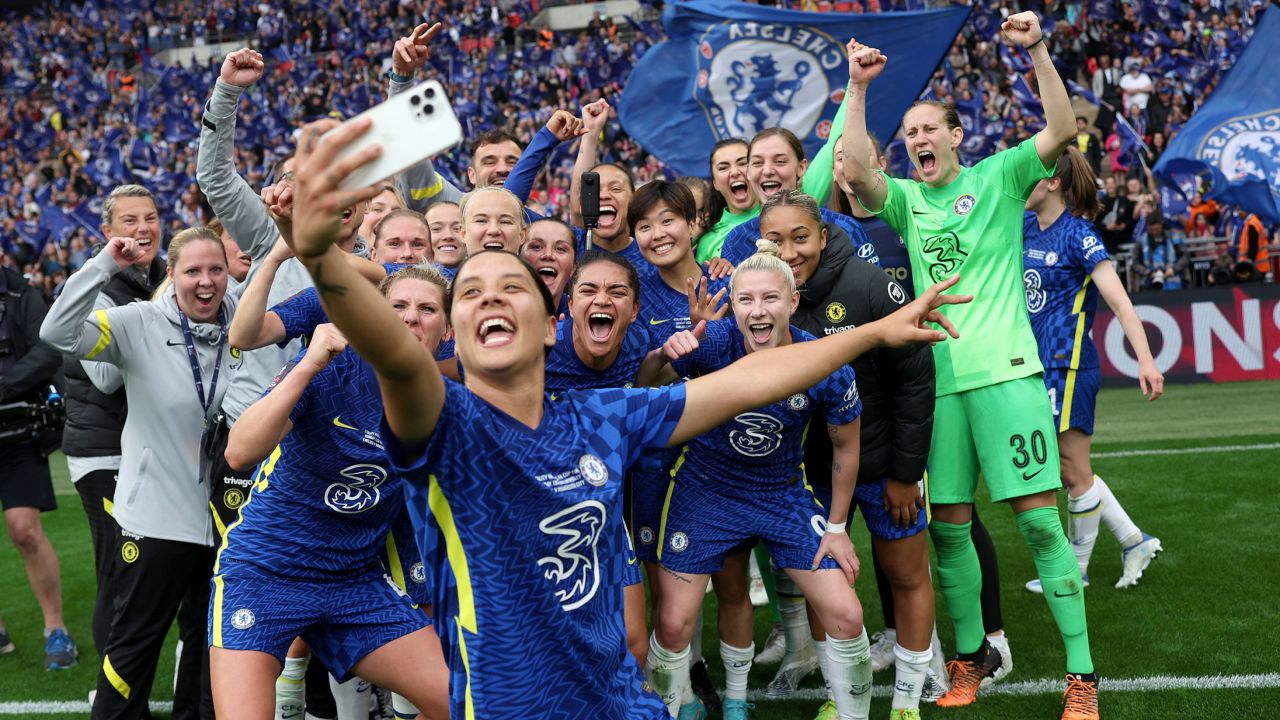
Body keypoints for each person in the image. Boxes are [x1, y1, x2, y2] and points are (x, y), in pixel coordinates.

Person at [281, 115, 968, 720]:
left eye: (512, 286)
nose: (491, 299)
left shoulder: (603, 416)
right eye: (472, 294)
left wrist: (874, 331)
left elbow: (749, 379)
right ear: (454, 333)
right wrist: (320, 258)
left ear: (550, 328)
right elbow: (398, 357)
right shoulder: (444, 426)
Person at [839, 13, 1100, 719]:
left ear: (957, 135)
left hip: (1008, 375)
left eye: (931, 129)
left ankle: (1082, 678)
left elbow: (1059, 128)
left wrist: (1038, 48)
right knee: (948, 528)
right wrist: (859, 89)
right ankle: (970, 662)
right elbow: (855, 170)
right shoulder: (905, 202)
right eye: (911, 133)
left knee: (1041, 525)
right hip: (940, 386)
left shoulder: (1001, 176)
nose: (919, 139)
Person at [212, 266, 452, 720]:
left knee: (468, 703)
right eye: (397, 306)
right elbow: (239, 452)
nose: (410, 319)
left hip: (352, 580)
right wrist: (308, 364)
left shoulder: (443, 402)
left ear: (448, 329)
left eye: (426, 309)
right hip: (267, 570)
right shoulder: (330, 367)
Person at [645, 239, 868, 720]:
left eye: (769, 298)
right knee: (674, 622)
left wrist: (836, 528)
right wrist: (666, 355)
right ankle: (664, 709)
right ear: (735, 306)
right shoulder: (715, 342)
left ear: (792, 301)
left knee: (848, 614)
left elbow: (847, 446)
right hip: (705, 491)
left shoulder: (824, 362)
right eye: (745, 299)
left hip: (780, 494)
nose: (757, 310)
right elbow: (645, 389)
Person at [42, 228, 238, 720]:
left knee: (208, 647)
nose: (206, 282)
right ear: (172, 275)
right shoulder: (139, 322)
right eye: (192, 271)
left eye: (216, 269)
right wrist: (104, 263)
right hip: (156, 521)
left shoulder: (247, 324)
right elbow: (57, 332)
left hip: (226, 523)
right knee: (134, 649)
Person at [757, 190, 939, 719]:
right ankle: (841, 699)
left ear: (824, 235)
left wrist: (906, 473)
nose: (789, 251)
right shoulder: (761, 291)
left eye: (800, 238)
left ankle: (907, 701)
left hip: (884, 467)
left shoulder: (869, 283)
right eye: (775, 239)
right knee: (821, 580)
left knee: (906, 575)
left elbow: (915, 382)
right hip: (810, 472)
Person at [1022, 146, 1166, 594]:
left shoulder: (1079, 235)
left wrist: (1145, 359)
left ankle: (1073, 571)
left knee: (1070, 468)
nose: (1023, 181)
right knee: (1068, 468)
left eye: (1033, 174)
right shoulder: (1024, 226)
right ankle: (1133, 540)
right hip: (1037, 365)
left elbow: (1120, 302)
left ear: (1053, 183)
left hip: (1069, 365)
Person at [58, 185, 168, 667]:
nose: (142, 228)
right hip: (104, 450)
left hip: (146, 446)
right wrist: (160, 312)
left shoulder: (164, 274)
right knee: (120, 570)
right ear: (107, 232)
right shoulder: (98, 285)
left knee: (156, 573)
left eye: (150, 217)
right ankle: (114, 696)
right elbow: (104, 378)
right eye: (129, 221)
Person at [0, 258, 76, 671]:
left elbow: (49, 347)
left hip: (16, 428)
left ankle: (56, 629)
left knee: (25, 530)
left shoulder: (19, 292)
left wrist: (5, 386)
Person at [694, 140, 758, 264]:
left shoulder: (781, 210)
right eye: (723, 167)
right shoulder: (708, 241)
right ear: (715, 183)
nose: (734, 172)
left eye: (743, 163)